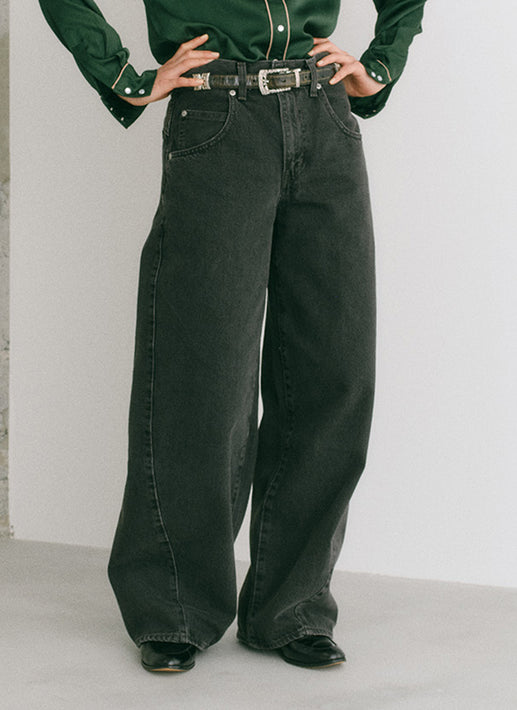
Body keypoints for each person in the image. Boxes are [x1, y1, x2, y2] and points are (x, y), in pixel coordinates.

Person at [38, 0, 426, 673]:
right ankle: (175, 609)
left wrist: (381, 64)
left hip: (325, 114)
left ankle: (293, 608)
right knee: (202, 374)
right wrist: (124, 77)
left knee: (332, 371)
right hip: (217, 117)